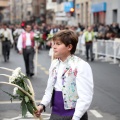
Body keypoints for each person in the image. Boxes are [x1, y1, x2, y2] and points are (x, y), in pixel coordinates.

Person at [35, 30, 94, 120]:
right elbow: (49, 89)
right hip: (55, 114)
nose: (54, 47)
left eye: (58, 44)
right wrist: (42, 105)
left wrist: (76, 117)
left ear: (69, 47)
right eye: (53, 43)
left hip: (73, 115)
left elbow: (85, 96)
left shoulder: (81, 65)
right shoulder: (54, 63)